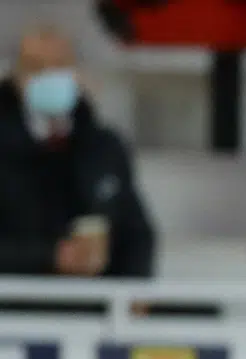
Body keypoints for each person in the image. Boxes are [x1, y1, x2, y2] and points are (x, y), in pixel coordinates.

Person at [0, 24, 155, 277]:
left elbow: (135, 231)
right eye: (36, 67)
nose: (50, 76)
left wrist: (136, 286)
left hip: (96, 301)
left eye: (60, 64)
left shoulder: (103, 147)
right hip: (18, 301)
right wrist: (50, 256)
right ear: (16, 77)